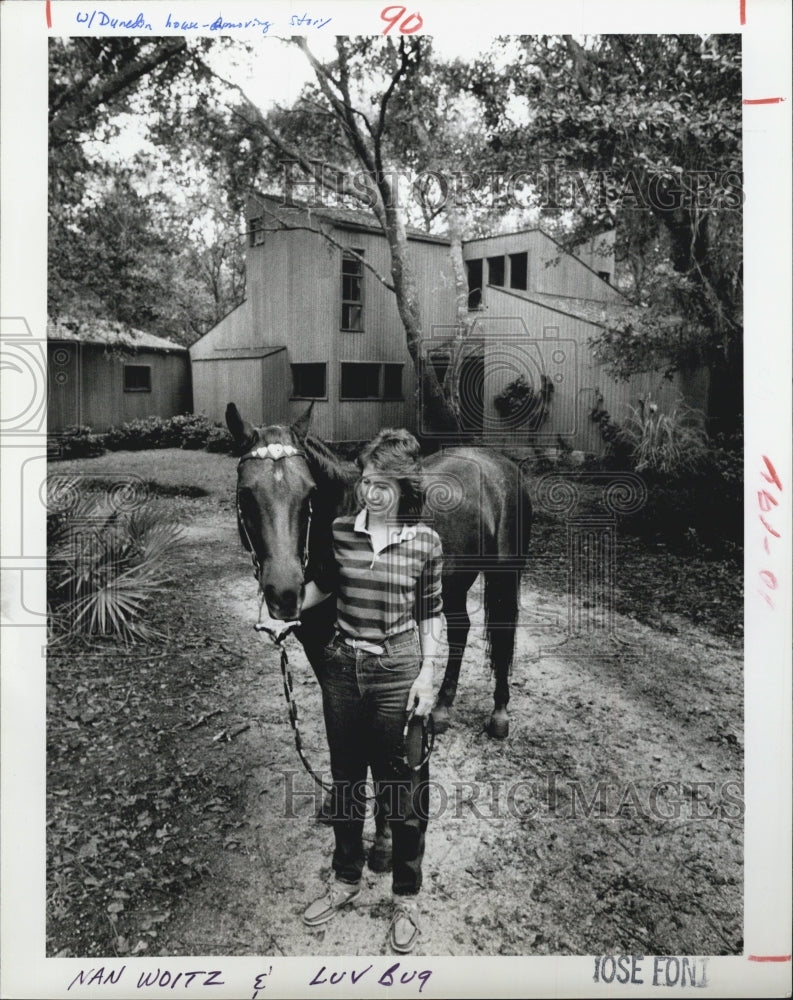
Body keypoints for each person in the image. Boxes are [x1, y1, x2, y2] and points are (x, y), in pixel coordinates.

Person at [276, 428, 444, 953]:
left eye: (384, 484)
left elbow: (432, 614)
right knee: (346, 781)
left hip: (399, 669)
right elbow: (322, 587)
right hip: (343, 668)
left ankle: (406, 899)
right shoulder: (341, 530)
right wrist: (281, 611)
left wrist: (428, 677)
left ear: (406, 487)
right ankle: (346, 880)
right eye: (368, 481)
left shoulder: (425, 543)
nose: (372, 492)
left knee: (404, 789)